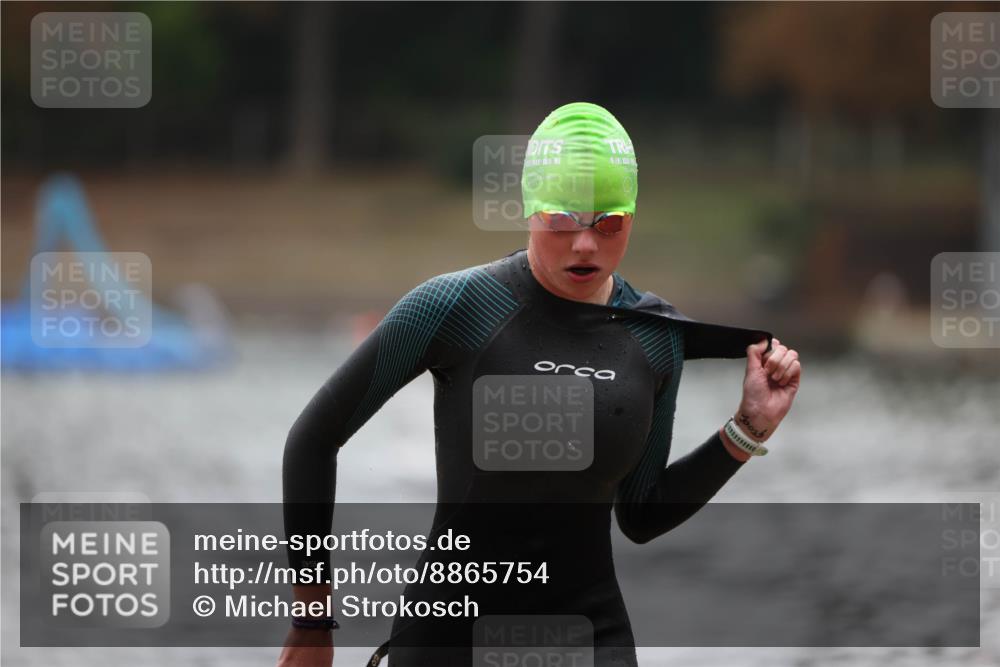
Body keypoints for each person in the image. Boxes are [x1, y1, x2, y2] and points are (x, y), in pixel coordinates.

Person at [278, 101, 801, 667]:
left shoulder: (654, 337)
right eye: (562, 221)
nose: (584, 245)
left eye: (609, 224)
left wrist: (747, 429)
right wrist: (312, 622)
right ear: (529, 210)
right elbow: (313, 439)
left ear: (632, 219)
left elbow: (643, 515)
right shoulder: (454, 307)